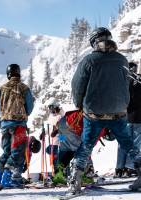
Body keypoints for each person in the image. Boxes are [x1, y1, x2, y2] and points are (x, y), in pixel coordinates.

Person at [70, 27, 141, 195]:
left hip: (94, 112)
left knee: (87, 144)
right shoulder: (122, 60)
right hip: (118, 111)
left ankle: (75, 180)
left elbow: (77, 86)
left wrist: (79, 104)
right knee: (128, 143)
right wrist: (123, 104)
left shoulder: (89, 60)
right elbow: (126, 86)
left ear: (94, 42)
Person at [0, 64, 34, 188]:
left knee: (6, 152)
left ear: (8, 74)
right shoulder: (24, 88)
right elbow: (30, 106)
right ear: (18, 73)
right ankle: (7, 178)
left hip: (5, 125)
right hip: (19, 125)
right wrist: (24, 113)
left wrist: (4, 116)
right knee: (17, 152)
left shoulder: (1, 89)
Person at [115, 62, 141, 178]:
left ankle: (120, 167)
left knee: (122, 142)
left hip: (122, 117)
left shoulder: (121, 83)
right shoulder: (137, 82)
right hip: (137, 117)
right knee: (135, 143)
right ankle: (130, 167)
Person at [39, 98, 64, 168]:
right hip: (52, 140)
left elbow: (65, 128)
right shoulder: (51, 116)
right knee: (50, 153)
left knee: (58, 157)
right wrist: (44, 133)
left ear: (56, 106)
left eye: (52, 108)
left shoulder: (62, 115)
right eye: (50, 108)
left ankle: (61, 172)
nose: (51, 110)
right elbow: (49, 127)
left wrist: (57, 131)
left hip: (60, 140)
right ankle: (55, 171)